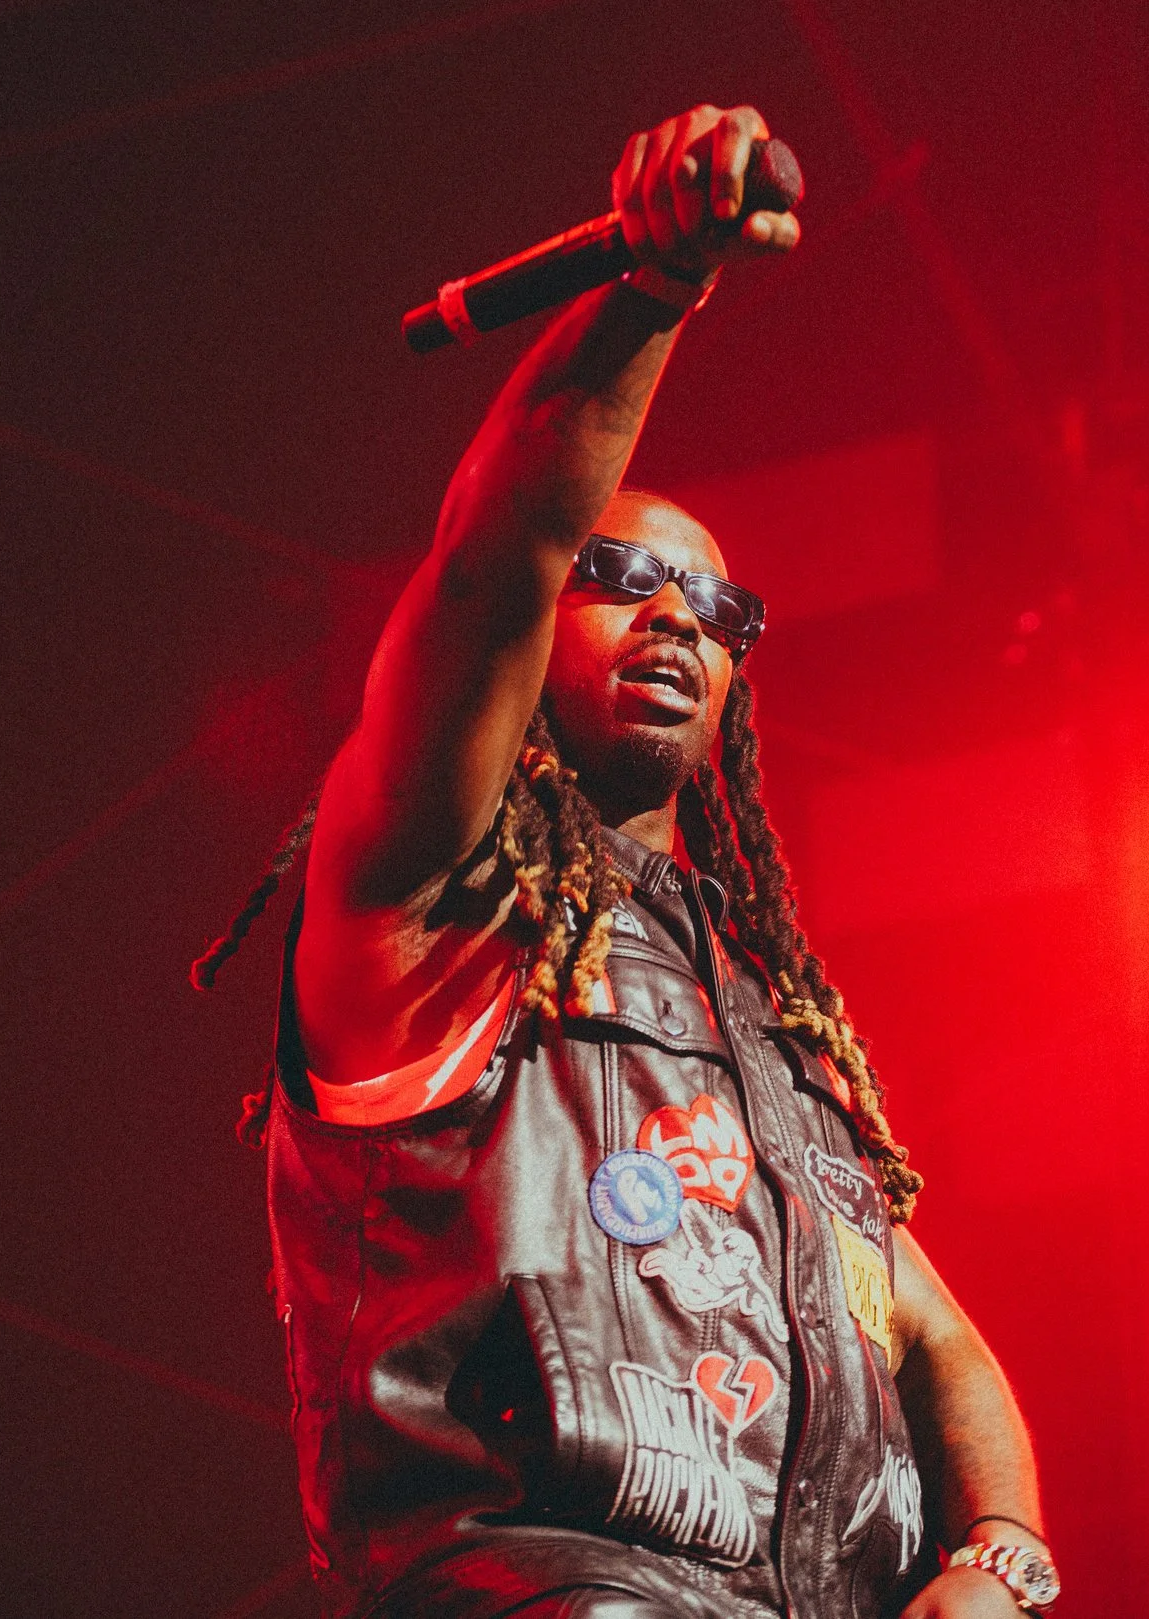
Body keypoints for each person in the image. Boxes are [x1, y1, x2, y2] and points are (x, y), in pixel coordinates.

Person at [194, 104, 1057, 1619]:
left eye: (718, 610)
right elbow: (502, 543)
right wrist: (652, 289)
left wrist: (1000, 1554)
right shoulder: (435, 887)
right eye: (623, 575)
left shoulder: (772, 1021)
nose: (676, 617)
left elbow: (933, 1336)